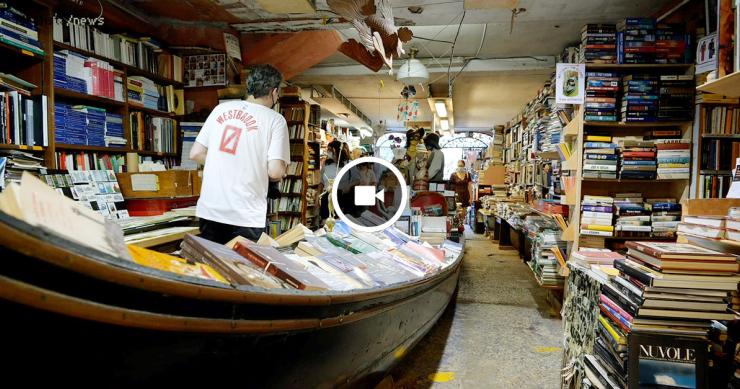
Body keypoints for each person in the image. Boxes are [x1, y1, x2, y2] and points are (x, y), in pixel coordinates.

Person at [189, 64, 289, 244]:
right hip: (246, 213)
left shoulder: (220, 109)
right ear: (274, 92)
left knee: (210, 266)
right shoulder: (275, 120)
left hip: (211, 209)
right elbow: (275, 172)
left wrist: (226, 163)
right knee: (240, 269)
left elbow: (196, 153)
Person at [319, 140, 349, 221]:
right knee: (325, 222)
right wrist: (317, 199)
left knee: (339, 224)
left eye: (329, 149)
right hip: (326, 197)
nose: (327, 152)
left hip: (341, 197)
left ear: (334, 150)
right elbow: (321, 182)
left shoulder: (348, 164)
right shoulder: (326, 164)